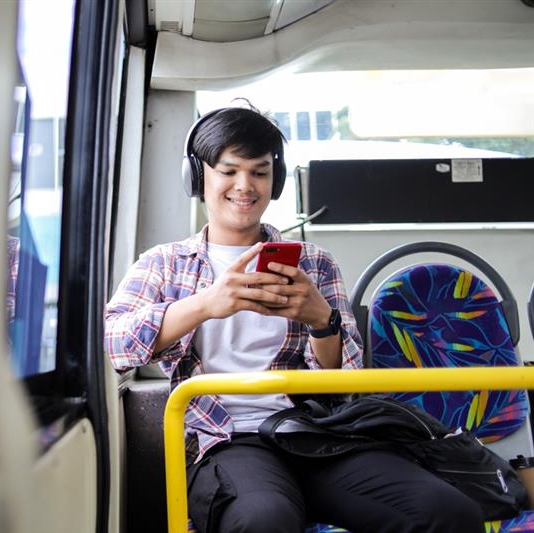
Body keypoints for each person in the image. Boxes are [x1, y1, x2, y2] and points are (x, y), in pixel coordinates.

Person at [103, 105, 484, 533]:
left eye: (260, 172)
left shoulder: (316, 265)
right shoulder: (164, 263)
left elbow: (346, 384)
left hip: (314, 432)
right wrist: (207, 303)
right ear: (198, 177)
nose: (244, 186)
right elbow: (112, 344)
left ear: (276, 179)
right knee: (265, 520)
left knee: (449, 513)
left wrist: (322, 320)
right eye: (229, 171)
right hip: (228, 439)